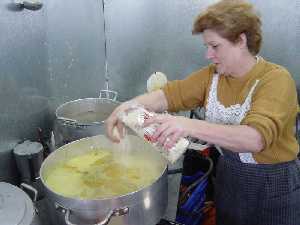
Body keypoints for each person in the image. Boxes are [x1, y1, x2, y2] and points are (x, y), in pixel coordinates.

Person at [105, 0, 300, 224]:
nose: (208, 54)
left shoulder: (275, 79)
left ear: (241, 40)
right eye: (206, 46)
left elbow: (255, 139)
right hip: (229, 180)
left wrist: (187, 125)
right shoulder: (212, 76)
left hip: (274, 188)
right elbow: (167, 95)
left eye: (215, 46)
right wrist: (125, 107)